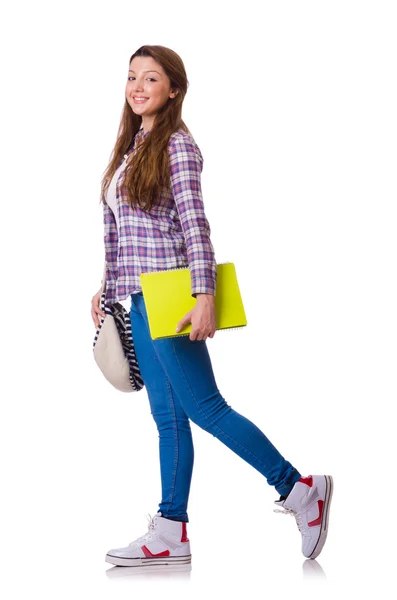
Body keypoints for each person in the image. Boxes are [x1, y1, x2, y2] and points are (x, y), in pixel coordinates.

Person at [91, 45, 333, 568]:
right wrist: (106, 288)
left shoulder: (176, 145)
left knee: (205, 409)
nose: (137, 86)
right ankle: (171, 529)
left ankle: (300, 491)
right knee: (169, 417)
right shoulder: (132, 146)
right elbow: (125, 233)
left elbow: (194, 223)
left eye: (150, 79)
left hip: (172, 296)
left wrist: (205, 296)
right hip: (139, 298)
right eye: (131, 76)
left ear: (172, 89)